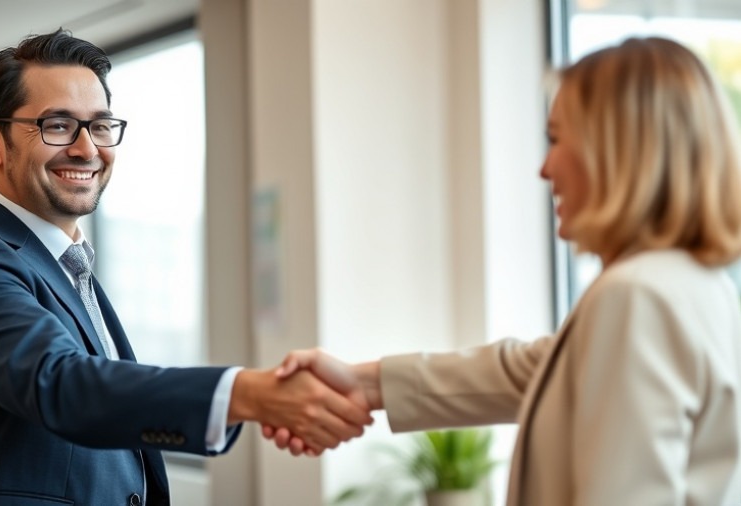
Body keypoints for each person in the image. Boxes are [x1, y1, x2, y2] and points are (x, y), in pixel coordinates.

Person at [266, 37, 741, 505]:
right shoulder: (698, 287)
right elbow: (528, 368)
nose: (544, 168)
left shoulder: (637, 297)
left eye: (557, 140)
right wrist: (364, 383)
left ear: (620, 153)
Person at [0, 29, 371, 506]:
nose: (88, 149)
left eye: (101, 126)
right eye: (58, 125)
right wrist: (247, 393)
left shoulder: (70, 268)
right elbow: (62, 385)